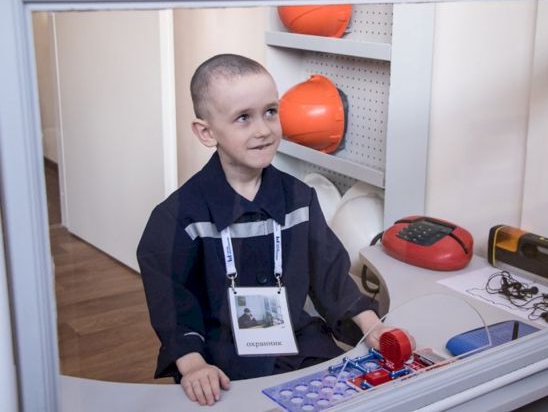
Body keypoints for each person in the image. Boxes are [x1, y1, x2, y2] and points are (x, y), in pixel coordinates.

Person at [137, 53, 412, 407]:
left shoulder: (300, 198)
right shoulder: (176, 217)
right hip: (222, 357)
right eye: (243, 118)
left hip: (299, 343)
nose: (264, 129)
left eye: (270, 112)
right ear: (206, 132)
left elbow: (330, 276)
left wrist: (374, 326)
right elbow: (173, 303)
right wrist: (193, 365)